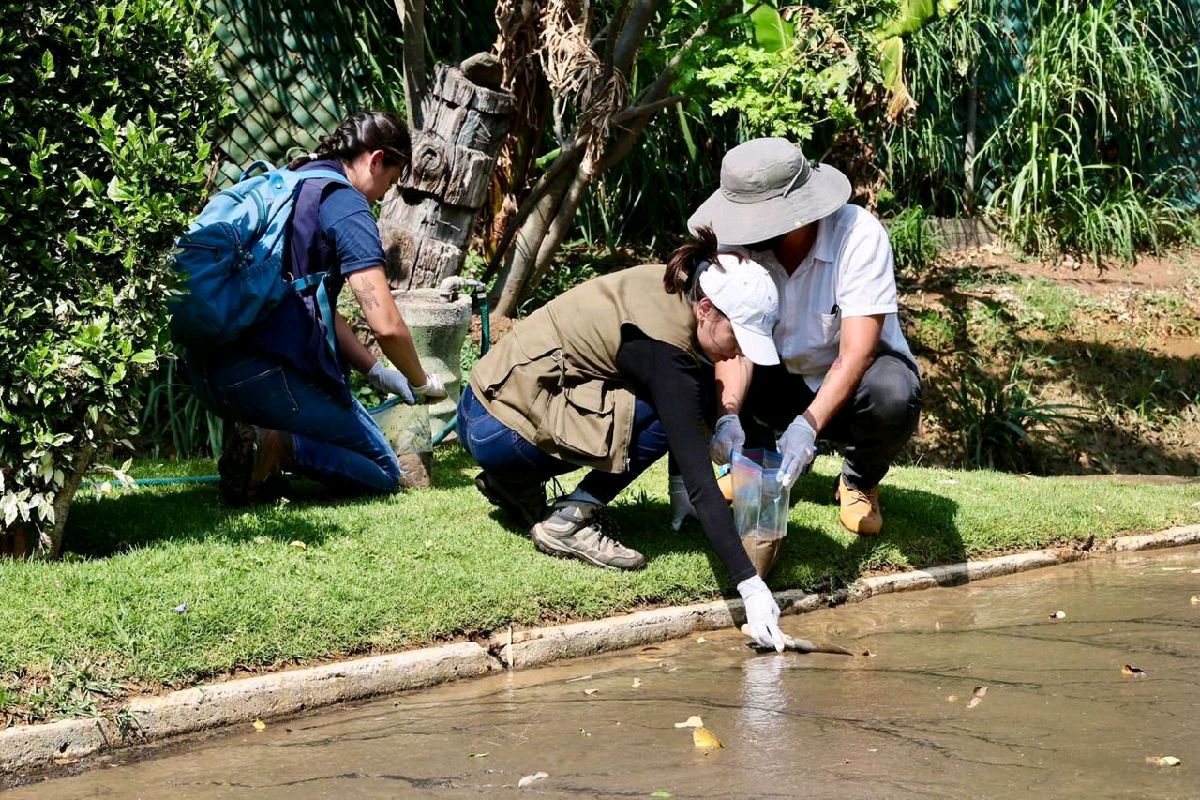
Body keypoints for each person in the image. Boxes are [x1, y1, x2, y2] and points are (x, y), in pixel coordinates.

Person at [458, 235, 788, 651]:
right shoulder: (667, 353)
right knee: (666, 414)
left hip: (480, 406)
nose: (739, 351)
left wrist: (724, 421)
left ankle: (514, 484)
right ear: (706, 309)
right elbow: (703, 476)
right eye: (738, 337)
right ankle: (568, 522)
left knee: (684, 400)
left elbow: (686, 385)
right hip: (502, 429)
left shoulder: (675, 284)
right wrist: (751, 588)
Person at [186, 112, 446, 504]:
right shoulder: (346, 205)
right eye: (389, 182)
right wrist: (420, 380)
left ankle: (264, 449)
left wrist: (377, 373)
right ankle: (277, 446)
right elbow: (386, 323)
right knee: (383, 468)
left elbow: (311, 303)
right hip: (264, 379)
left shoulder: (294, 181)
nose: (381, 196)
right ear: (375, 159)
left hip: (206, 374)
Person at [686, 137, 921, 536]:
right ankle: (753, 461)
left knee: (894, 393)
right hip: (774, 379)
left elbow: (856, 355)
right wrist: (727, 416)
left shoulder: (858, 236)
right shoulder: (734, 245)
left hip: (851, 388)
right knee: (697, 353)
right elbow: (731, 345)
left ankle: (858, 480)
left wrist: (807, 427)